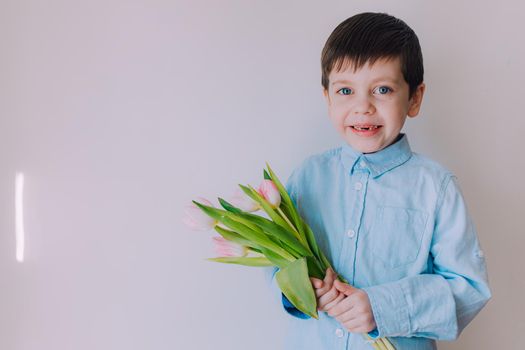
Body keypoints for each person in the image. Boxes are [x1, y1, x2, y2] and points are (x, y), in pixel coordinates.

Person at [270, 12, 491, 349]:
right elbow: (278, 261)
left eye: (382, 89)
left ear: (414, 98)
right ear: (327, 97)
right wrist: (300, 288)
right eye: (345, 90)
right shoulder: (307, 177)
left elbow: (468, 288)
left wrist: (382, 308)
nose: (363, 107)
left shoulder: (436, 188)